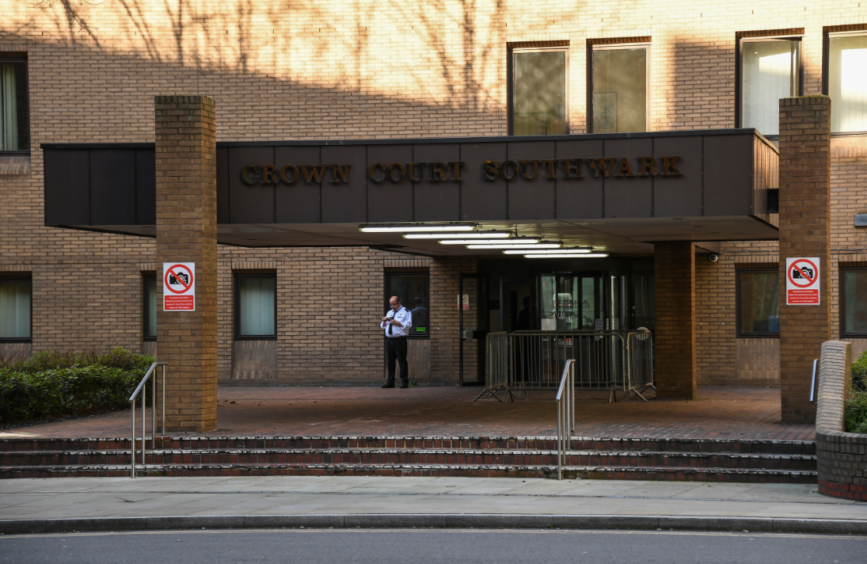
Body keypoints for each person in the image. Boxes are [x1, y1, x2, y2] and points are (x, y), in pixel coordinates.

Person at [381, 295, 412, 388]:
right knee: (390, 361)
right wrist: (383, 321)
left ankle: (404, 381)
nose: (392, 306)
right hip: (389, 340)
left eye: (394, 304)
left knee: (402, 361)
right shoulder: (390, 312)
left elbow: (409, 325)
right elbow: (383, 326)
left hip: (399, 340)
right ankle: (390, 381)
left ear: (399, 303)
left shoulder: (406, 311)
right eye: (391, 304)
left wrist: (397, 323)